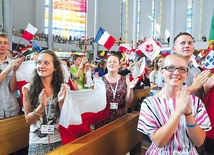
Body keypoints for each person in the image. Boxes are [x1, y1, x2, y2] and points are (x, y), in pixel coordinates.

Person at [137, 54, 211, 154]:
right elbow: (159, 141)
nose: (176, 73)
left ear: (186, 74)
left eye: (182, 69)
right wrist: (178, 112)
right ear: (162, 72)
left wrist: (188, 113)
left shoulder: (196, 102)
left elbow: (199, 142)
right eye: (170, 68)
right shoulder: (150, 103)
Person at [23, 50, 66, 154]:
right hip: (38, 142)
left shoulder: (62, 88)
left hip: (59, 139)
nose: (41, 66)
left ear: (55, 67)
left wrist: (61, 102)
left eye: (46, 63)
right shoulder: (28, 89)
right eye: (39, 62)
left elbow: (66, 117)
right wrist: (41, 107)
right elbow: (28, 120)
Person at [92, 54, 138, 128]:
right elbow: (95, 102)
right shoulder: (100, 80)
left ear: (119, 65)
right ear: (106, 65)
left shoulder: (125, 79)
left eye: (114, 62)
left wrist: (130, 88)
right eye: (109, 62)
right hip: (104, 115)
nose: (112, 63)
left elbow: (129, 101)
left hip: (121, 114)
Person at [159, 32, 210, 97]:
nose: (186, 46)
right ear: (174, 49)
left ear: (193, 48)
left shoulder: (198, 71)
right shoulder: (167, 69)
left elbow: (200, 96)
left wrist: (206, 89)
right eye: (182, 43)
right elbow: (163, 96)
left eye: (189, 43)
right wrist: (193, 87)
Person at [0, 33, 23, 119]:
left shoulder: (12, 63)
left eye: (5, 43)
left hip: (12, 109)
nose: (2, 45)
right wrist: (7, 70)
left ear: (8, 46)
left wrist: (15, 72)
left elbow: (12, 89)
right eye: (0, 42)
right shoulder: (10, 65)